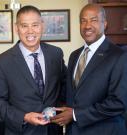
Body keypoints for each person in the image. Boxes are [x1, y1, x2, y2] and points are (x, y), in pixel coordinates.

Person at [51, 3, 127, 135]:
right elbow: (73, 94)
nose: (87, 26)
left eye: (94, 20)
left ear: (105, 24)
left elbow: (118, 102)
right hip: (74, 131)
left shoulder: (119, 56)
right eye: (83, 21)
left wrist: (75, 115)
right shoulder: (75, 55)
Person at [0, 5, 66, 135]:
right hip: (20, 131)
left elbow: (64, 86)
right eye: (24, 26)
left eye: (35, 25)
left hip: (53, 130)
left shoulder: (56, 54)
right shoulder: (0, 63)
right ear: (16, 28)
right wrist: (24, 117)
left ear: (42, 26)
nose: (30, 31)